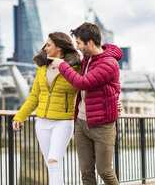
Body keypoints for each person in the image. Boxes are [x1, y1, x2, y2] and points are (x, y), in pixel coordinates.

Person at [48, 22, 123, 185]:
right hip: (82, 124)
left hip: (102, 126)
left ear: (89, 43)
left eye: (79, 43)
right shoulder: (87, 59)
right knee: (86, 173)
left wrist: (61, 65)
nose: (77, 47)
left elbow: (83, 83)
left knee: (104, 171)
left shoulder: (108, 63)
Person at [12, 32, 81, 185]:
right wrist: (19, 117)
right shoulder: (42, 68)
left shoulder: (75, 68)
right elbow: (33, 97)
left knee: (54, 161)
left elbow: (85, 88)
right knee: (51, 165)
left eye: (49, 44)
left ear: (60, 47)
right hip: (42, 122)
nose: (45, 48)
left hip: (63, 122)